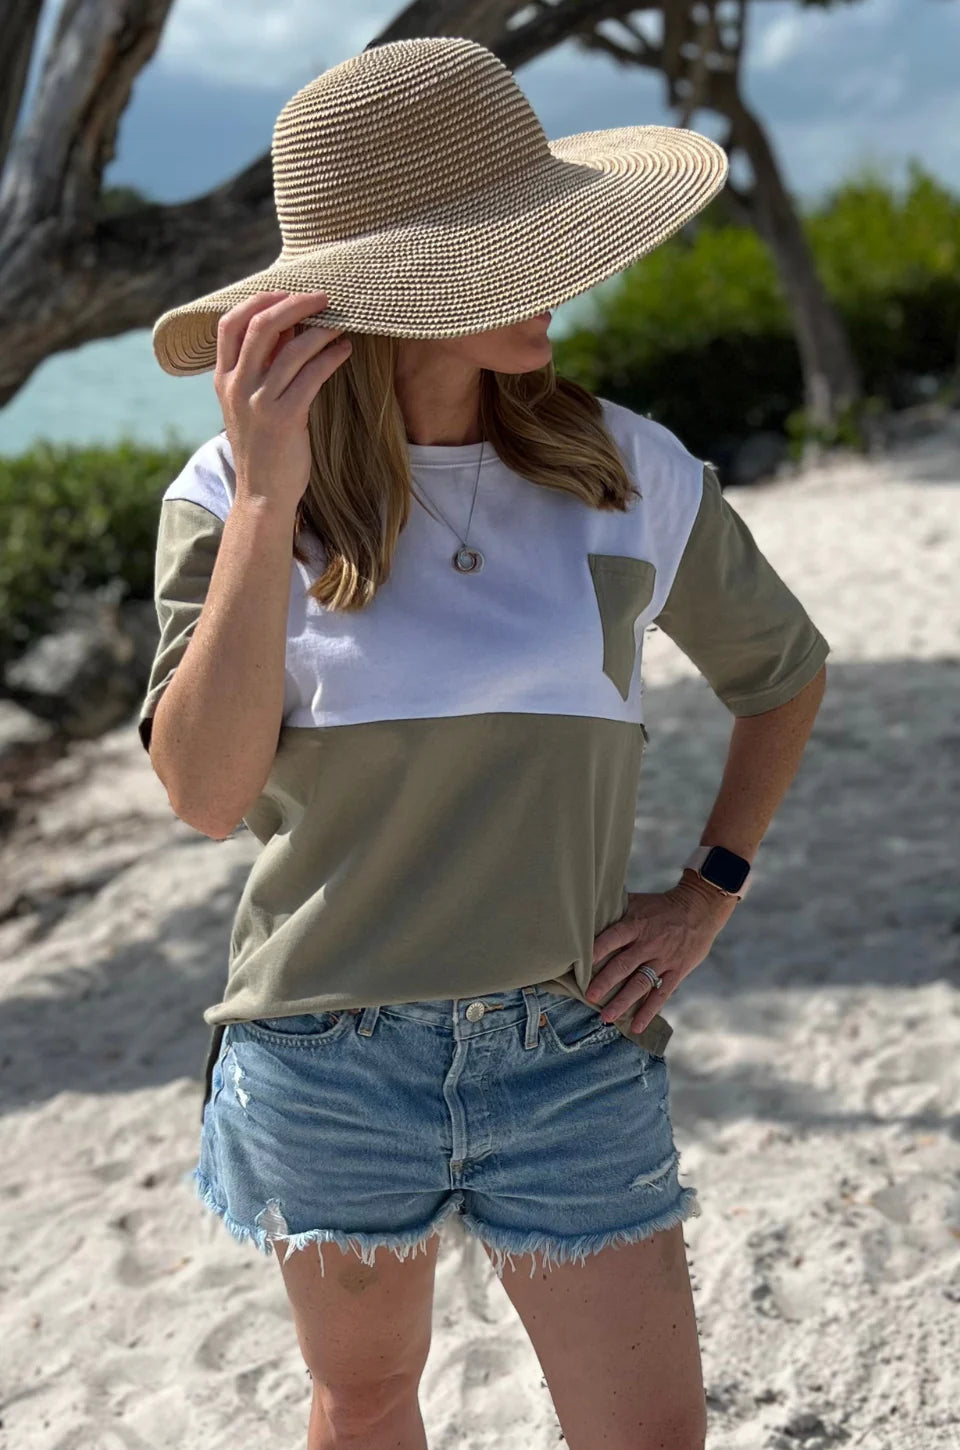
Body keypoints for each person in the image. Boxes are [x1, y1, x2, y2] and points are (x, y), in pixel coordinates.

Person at [140, 36, 830, 1450]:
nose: (558, 276)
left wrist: (710, 888)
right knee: (366, 1402)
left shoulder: (629, 471)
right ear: (391, 294)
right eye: (512, 248)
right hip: (325, 1053)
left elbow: (785, 673)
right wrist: (269, 502)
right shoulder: (226, 494)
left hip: (569, 1040)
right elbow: (205, 796)